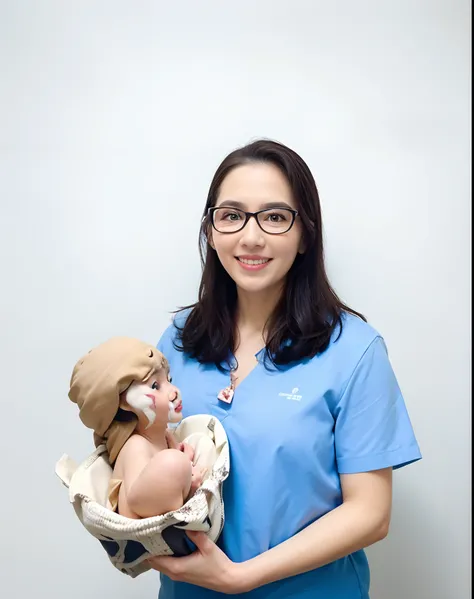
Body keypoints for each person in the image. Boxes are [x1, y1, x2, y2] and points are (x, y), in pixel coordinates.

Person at [147, 139, 422, 598]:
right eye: (232, 215)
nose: (250, 237)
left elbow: (371, 514)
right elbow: (143, 449)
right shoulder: (178, 339)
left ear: (305, 234)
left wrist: (241, 578)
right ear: (211, 231)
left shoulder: (354, 351)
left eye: (275, 217)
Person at [68, 337, 206, 519]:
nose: (173, 392)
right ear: (124, 403)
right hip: (154, 540)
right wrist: (186, 478)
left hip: (180, 536)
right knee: (173, 462)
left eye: (169, 379)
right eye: (155, 386)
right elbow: (140, 503)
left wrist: (183, 459)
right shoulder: (135, 446)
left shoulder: (164, 437)